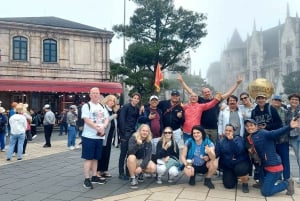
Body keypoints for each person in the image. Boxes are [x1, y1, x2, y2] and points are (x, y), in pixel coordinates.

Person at [177, 74, 242, 143]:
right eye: (205, 92)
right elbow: (190, 92)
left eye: (208, 92)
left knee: (214, 145)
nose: (207, 93)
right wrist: (182, 82)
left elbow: (228, 94)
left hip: (214, 128)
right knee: (204, 145)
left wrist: (237, 84)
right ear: (202, 94)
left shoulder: (216, 100)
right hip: (203, 128)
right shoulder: (200, 100)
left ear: (210, 92)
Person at [244, 118, 297, 196]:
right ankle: (262, 183)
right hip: (265, 165)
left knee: (266, 192)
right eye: (247, 126)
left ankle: (286, 183)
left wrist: (289, 127)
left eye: (251, 125)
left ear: (256, 126)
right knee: (258, 164)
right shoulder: (250, 137)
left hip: (274, 167)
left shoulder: (263, 133)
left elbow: (276, 133)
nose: (249, 127)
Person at [81, 87, 109, 189]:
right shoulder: (86, 106)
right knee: (88, 157)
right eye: (93, 93)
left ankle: (94, 176)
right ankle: (86, 179)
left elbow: (106, 118)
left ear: (100, 94)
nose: (96, 95)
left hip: (99, 137)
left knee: (96, 157)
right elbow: (86, 120)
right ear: (90, 95)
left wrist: (104, 127)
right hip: (89, 136)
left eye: (97, 93)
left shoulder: (102, 106)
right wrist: (97, 128)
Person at [215, 124, 250, 193]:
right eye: (226, 130)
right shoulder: (221, 140)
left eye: (230, 130)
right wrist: (210, 154)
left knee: (240, 170)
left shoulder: (238, 139)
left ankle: (245, 184)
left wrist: (231, 141)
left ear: (233, 131)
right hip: (228, 165)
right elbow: (217, 153)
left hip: (240, 163)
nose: (227, 132)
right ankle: (234, 177)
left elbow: (238, 151)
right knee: (229, 185)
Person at [118, 92, 141, 180]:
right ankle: (121, 172)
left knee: (130, 153)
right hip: (125, 133)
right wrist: (122, 134)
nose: (136, 100)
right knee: (123, 153)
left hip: (133, 133)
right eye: (134, 98)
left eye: (137, 99)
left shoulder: (137, 108)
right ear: (131, 98)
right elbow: (121, 120)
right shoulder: (126, 107)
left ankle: (128, 171)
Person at [126, 124, 156, 189]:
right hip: (134, 160)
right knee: (131, 157)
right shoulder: (133, 138)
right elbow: (130, 152)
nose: (145, 132)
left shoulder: (149, 142)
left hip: (142, 160)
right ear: (139, 131)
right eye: (143, 130)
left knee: (153, 167)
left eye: (146, 131)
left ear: (148, 133)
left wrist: (141, 167)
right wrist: (137, 145)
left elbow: (148, 157)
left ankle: (139, 173)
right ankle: (133, 178)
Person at [97, 95, 118, 178]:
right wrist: (112, 117)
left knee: (107, 153)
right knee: (101, 153)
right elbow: (102, 121)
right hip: (102, 136)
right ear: (106, 100)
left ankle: (104, 170)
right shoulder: (102, 109)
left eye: (113, 101)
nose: (112, 102)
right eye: (110, 100)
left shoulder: (112, 111)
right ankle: (98, 171)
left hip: (109, 137)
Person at [138, 95, 163, 162]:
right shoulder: (145, 110)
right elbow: (139, 119)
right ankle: (144, 168)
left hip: (158, 136)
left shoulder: (159, 111)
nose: (154, 102)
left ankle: (154, 168)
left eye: (156, 100)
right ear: (149, 101)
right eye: (152, 100)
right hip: (148, 136)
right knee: (146, 153)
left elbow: (161, 122)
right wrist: (148, 118)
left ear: (158, 102)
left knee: (155, 153)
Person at [271, 95, 290, 182]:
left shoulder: (286, 112)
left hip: (283, 140)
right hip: (271, 140)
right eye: (275, 100)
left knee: (285, 159)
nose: (277, 101)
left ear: (281, 102)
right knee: (274, 160)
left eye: (279, 100)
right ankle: (276, 177)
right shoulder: (268, 110)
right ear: (272, 100)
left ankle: (286, 178)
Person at [285, 93, 300, 184]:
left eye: (296, 100)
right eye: (292, 99)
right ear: (289, 100)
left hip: (297, 136)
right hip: (287, 136)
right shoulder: (286, 110)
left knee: (299, 157)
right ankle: (286, 176)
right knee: (285, 157)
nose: (294, 101)